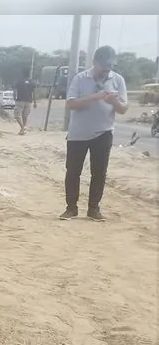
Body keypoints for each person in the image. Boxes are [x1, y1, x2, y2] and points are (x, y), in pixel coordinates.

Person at [60, 45, 128, 222]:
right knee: (73, 171)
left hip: (104, 132)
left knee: (99, 172)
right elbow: (71, 103)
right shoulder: (81, 78)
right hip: (78, 134)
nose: (106, 70)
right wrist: (94, 97)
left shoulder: (118, 80)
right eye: (104, 66)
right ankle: (71, 208)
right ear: (95, 62)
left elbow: (123, 109)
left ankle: (93, 208)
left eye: (110, 67)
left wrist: (114, 102)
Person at [14, 69, 38, 134]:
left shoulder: (19, 81)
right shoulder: (32, 82)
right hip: (29, 101)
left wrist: (14, 98)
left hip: (20, 100)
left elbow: (15, 91)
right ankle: (23, 129)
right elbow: (34, 93)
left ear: (22, 74)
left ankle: (22, 128)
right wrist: (35, 102)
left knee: (17, 115)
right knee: (25, 116)